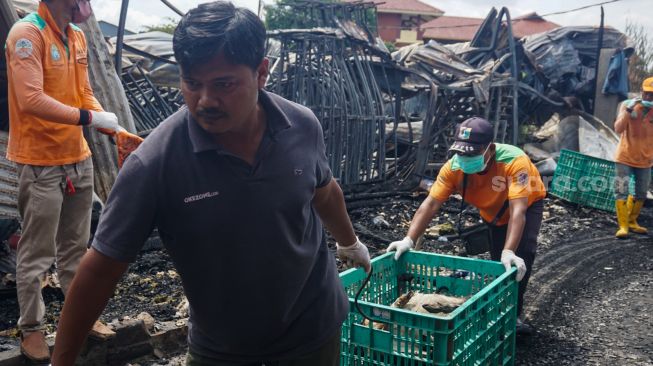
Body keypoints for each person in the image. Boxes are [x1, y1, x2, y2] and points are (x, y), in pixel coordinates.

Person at [51, 2, 371, 365]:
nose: (205, 101)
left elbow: (324, 193)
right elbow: (100, 270)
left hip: (313, 328)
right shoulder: (155, 164)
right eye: (192, 83)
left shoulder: (301, 125)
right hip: (223, 348)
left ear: (261, 72)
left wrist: (350, 242)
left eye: (223, 84)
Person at [5, 0, 120, 361]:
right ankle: (32, 329)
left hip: (78, 161)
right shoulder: (27, 35)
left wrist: (106, 120)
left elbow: (84, 92)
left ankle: (79, 317)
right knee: (36, 254)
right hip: (40, 163)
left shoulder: (77, 37)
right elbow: (30, 99)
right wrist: (89, 118)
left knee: (76, 248)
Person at [386, 117, 546, 335]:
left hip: (526, 203)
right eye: (461, 152)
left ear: (489, 149)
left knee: (521, 253)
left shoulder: (514, 162)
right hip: (492, 210)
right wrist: (408, 239)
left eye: (471, 153)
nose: (464, 158)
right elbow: (431, 203)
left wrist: (511, 251)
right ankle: (503, 307)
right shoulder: (453, 168)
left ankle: (513, 316)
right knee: (499, 260)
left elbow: (518, 211)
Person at [613, 77, 653, 239]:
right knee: (621, 190)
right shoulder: (628, 105)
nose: (649, 98)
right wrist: (628, 111)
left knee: (641, 192)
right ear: (642, 91)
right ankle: (623, 226)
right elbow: (618, 128)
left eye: (652, 95)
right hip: (625, 156)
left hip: (646, 159)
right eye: (647, 93)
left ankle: (631, 221)